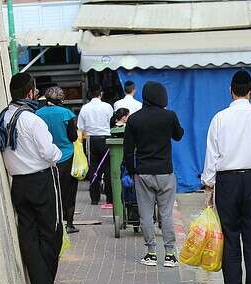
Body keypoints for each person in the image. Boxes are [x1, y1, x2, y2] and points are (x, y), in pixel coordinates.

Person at [201, 71, 251, 284]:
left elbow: (211, 155)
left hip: (228, 181)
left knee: (230, 235)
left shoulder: (219, 118)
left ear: (230, 90)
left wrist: (209, 186)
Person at [0, 72, 66, 284]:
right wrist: (57, 152)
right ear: (29, 93)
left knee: (28, 233)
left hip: (18, 183)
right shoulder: (32, 120)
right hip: (41, 180)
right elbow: (49, 153)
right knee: (51, 231)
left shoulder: (4, 116)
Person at [124, 81, 184, 267]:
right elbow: (179, 135)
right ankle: (170, 254)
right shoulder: (169, 116)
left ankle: (150, 253)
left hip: (143, 172)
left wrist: (133, 171)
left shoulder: (134, 119)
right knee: (166, 214)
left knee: (146, 215)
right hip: (165, 171)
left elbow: (127, 150)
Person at [36, 86, 80, 234]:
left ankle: (53, 222)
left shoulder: (37, 114)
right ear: (61, 99)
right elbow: (73, 137)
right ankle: (69, 224)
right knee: (69, 191)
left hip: (46, 158)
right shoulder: (67, 114)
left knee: (50, 190)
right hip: (66, 156)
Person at [77, 83, 114, 208]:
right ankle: (110, 198)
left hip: (91, 140)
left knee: (94, 168)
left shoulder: (85, 108)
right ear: (101, 93)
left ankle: (94, 198)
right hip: (107, 139)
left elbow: (80, 128)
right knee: (109, 168)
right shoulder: (108, 107)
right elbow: (112, 122)